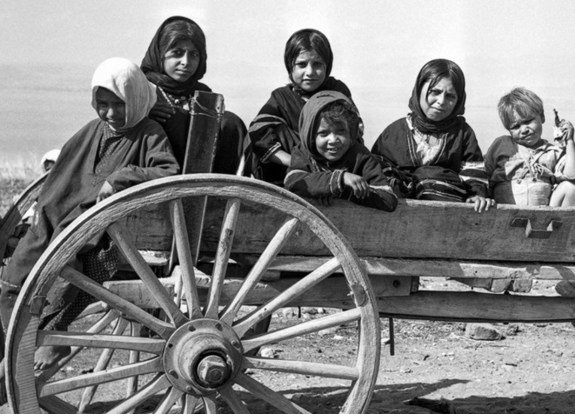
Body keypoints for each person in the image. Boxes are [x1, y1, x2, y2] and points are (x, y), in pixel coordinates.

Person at [0, 57, 179, 379]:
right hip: (61, 211)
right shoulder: (93, 130)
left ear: (135, 99)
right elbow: (66, 169)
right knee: (21, 264)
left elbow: (168, 171)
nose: (110, 113)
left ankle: (52, 334)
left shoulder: (149, 132)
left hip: (100, 221)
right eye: (102, 103)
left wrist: (122, 177)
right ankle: (15, 343)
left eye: (118, 104)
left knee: (67, 254)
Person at [371, 58, 493, 212]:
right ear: (419, 90)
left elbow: (473, 171)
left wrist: (477, 194)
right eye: (434, 92)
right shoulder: (394, 132)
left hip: (447, 214)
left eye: (450, 96)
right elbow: (375, 168)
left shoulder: (463, 133)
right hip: (398, 213)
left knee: (431, 176)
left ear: (459, 100)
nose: (441, 101)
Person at [141, 15, 246, 174]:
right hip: (155, 176)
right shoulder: (142, 90)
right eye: (177, 53)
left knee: (230, 122)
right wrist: (142, 111)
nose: (186, 62)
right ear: (160, 53)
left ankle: (219, 190)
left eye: (194, 54)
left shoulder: (203, 94)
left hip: (202, 177)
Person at [246, 28, 353, 184]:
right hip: (291, 168)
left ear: (327, 65)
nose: (310, 72)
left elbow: (353, 132)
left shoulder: (337, 91)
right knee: (260, 129)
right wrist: (300, 164)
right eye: (302, 65)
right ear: (291, 67)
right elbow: (259, 136)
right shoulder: (281, 97)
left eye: (317, 64)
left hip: (334, 164)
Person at [284, 91, 397, 211]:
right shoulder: (303, 152)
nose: (333, 140)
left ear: (351, 132)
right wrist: (339, 179)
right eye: (323, 133)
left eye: (341, 131)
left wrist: (342, 191)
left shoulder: (361, 155)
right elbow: (293, 183)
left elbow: (388, 199)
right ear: (310, 136)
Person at [485, 87, 575, 207]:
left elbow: (572, 175)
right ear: (508, 130)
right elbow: (484, 172)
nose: (524, 130)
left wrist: (569, 141)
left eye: (528, 121)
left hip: (543, 216)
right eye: (516, 127)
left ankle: (559, 224)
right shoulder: (502, 145)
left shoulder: (552, 152)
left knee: (572, 188)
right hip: (502, 213)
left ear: (542, 117)